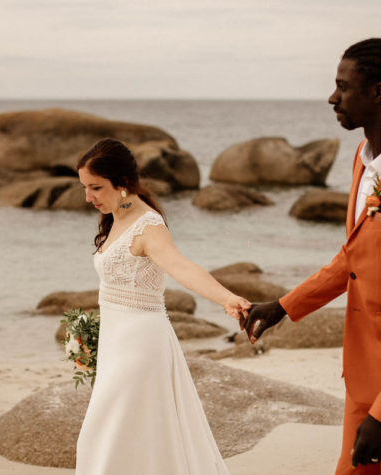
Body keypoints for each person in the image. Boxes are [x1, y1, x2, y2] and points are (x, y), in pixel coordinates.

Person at [242, 38, 381, 474]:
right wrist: (284, 306)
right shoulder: (362, 159)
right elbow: (354, 257)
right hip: (360, 377)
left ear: (378, 92)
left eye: (343, 86)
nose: (332, 97)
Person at [75, 138, 250, 475]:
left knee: (107, 437)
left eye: (95, 187)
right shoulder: (117, 216)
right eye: (85, 187)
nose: (88, 197)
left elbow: (181, 267)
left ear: (122, 183)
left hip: (141, 345)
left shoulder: (148, 226)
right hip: (117, 343)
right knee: (130, 439)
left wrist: (227, 298)